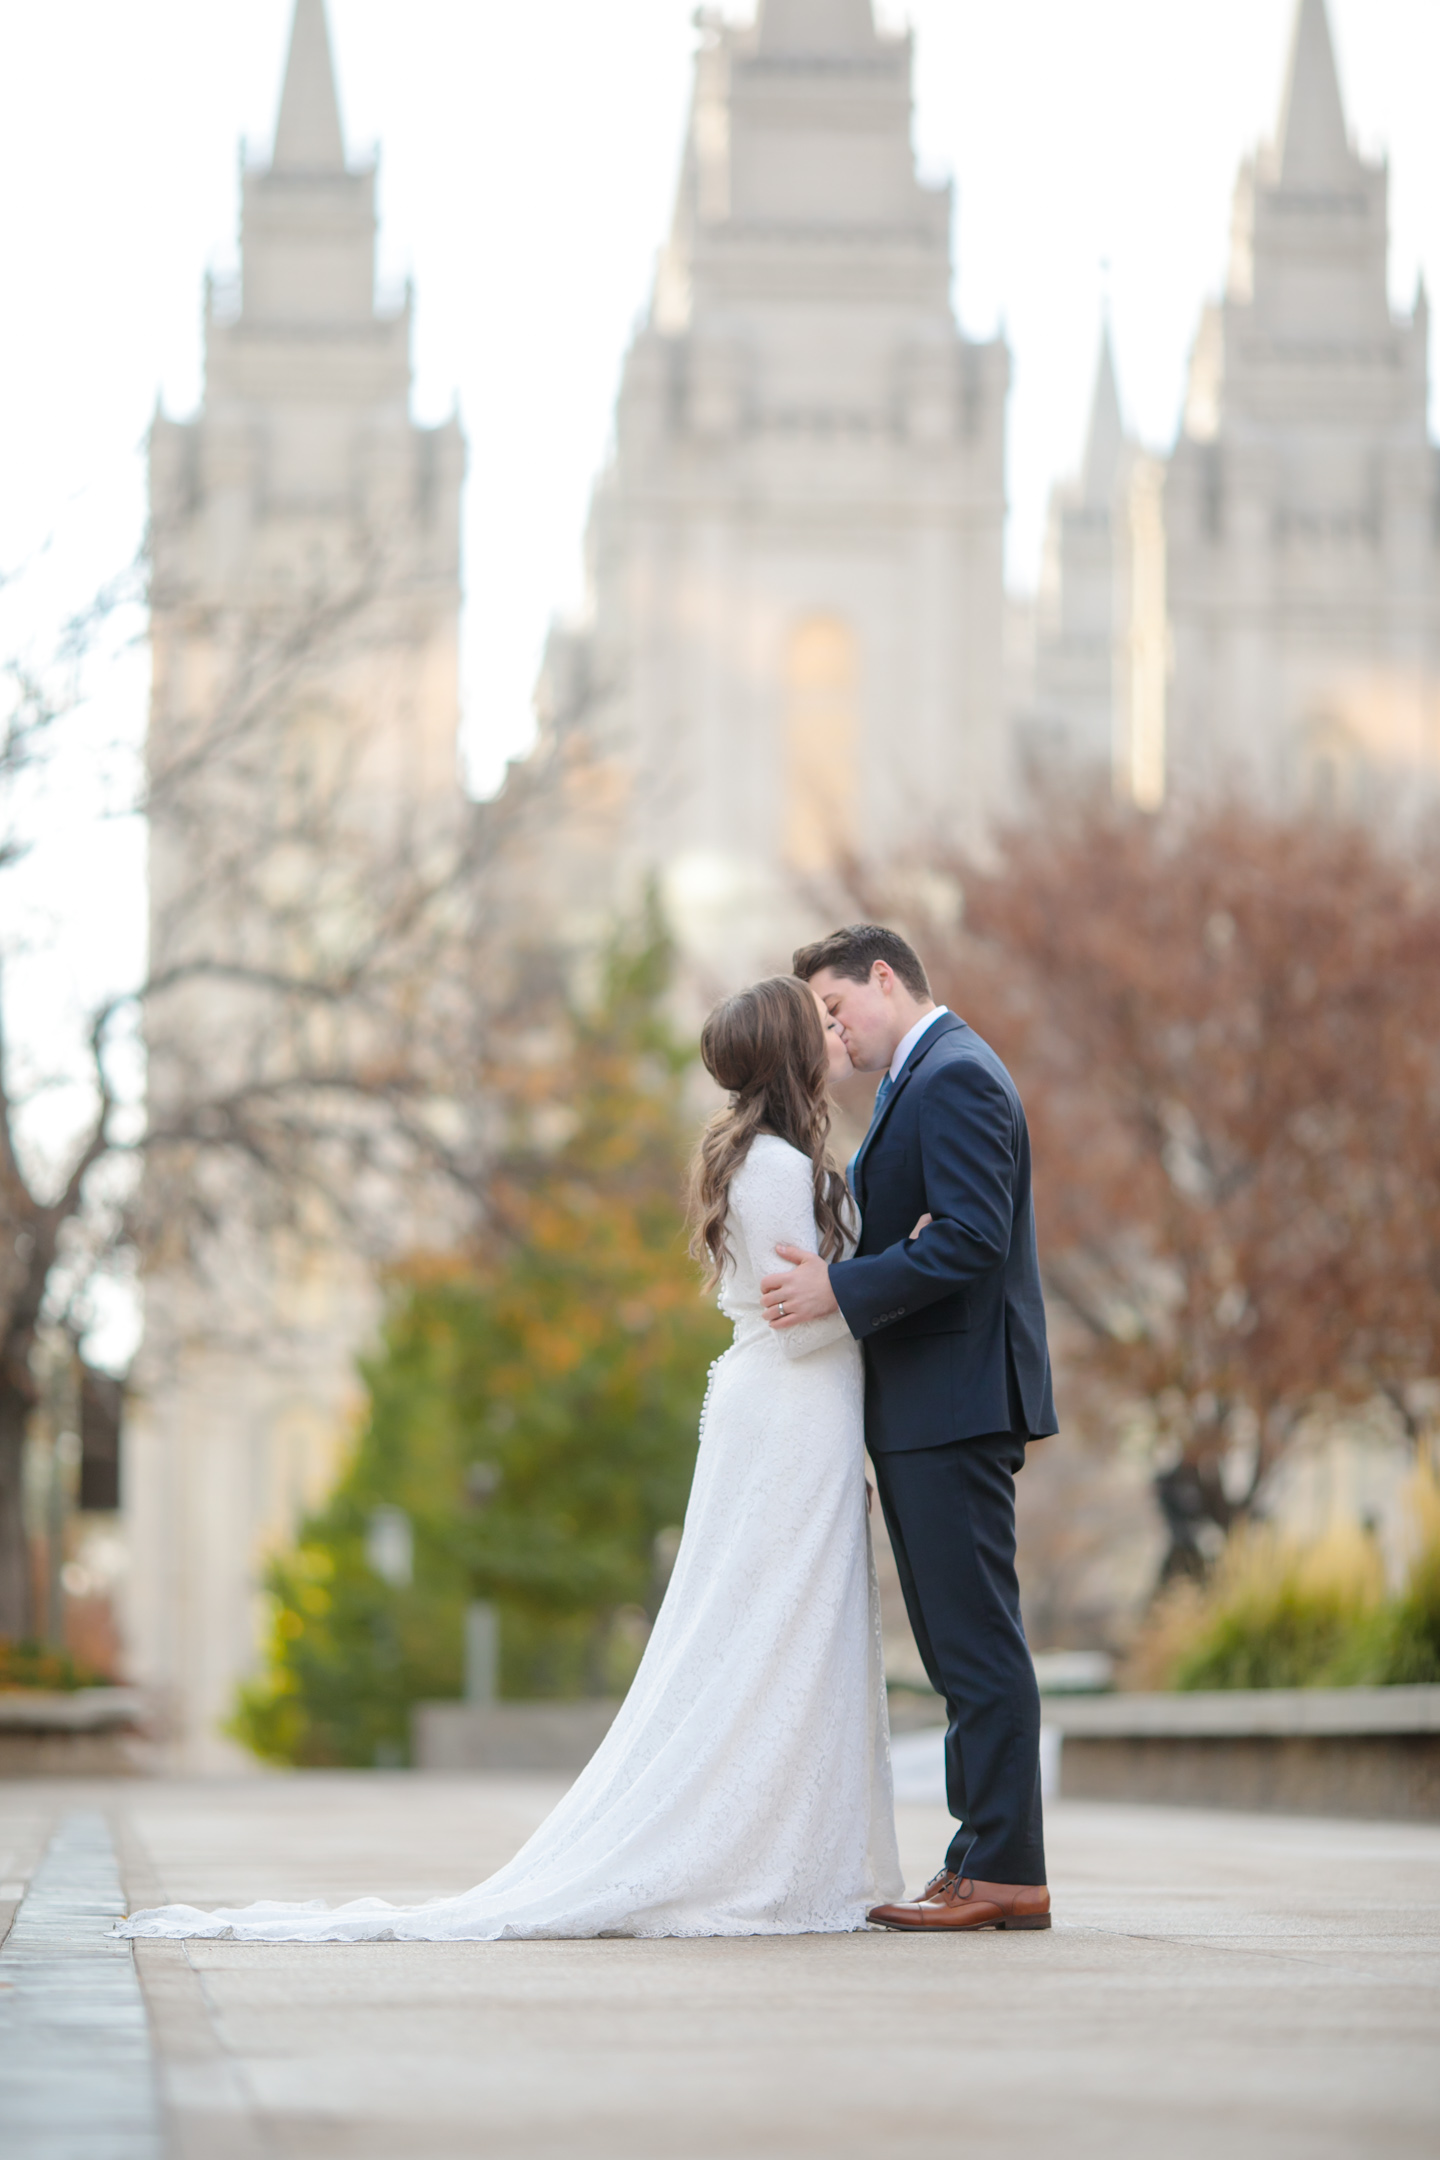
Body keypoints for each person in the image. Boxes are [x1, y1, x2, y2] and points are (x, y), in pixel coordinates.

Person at [119, 975, 901, 1944]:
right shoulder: (780, 1167)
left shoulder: (762, 1158)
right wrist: (894, 1280)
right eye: (816, 1020)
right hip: (789, 1410)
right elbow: (801, 1319)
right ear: (788, 1045)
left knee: (779, 1631)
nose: (834, 1029)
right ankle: (766, 1862)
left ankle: (781, 1849)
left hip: (785, 1414)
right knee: (776, 1632)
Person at [763, 923, 1056, 1933]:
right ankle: (977, 1856)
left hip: (957, 1401)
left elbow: (969, 1238)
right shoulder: (920, 1079)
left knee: (976, 1642)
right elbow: (932, 1235)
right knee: (954, 1646)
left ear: (884, 977)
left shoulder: (958, 1075)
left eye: (837, 1011)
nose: (834, 1038)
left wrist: (839, 1287)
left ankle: (1006, 1868)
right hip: (932, 1400)